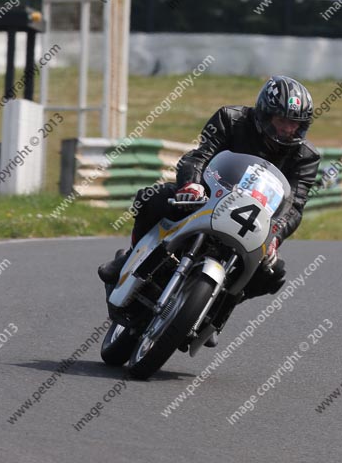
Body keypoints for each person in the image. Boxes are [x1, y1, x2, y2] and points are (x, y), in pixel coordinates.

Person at [98, 75, 320, 326]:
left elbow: (296, 204)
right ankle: (128, 260)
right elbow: (199, 155)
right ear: (264, 114)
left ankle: (217, 311)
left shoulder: (306, 157)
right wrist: (191, 184)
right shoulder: (231, 119)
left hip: (253, 223)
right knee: (153, 198)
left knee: (273, 274)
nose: (289, 129)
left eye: (296, 123)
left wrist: (275, 235)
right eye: (282, 120)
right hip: (207, 196)